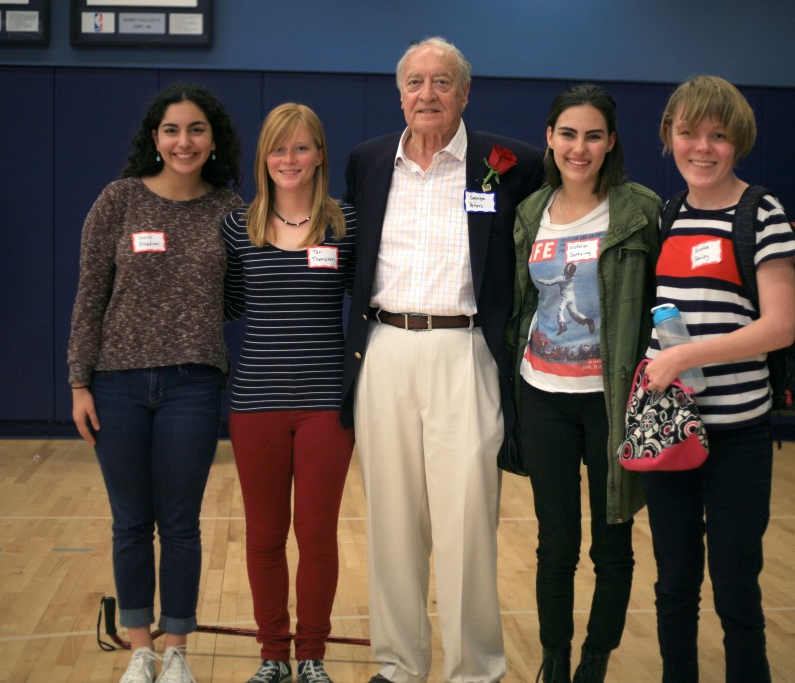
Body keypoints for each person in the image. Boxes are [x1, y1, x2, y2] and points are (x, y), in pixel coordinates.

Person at [341, 36, 544, 683]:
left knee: (467, 516)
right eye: (415, 83)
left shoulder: (510, 164)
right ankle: (398, 663)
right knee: (392, 518)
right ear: (399, 93)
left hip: (466, 350)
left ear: (464, 93)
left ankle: (473, 669)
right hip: (386, 346)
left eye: (441, 82)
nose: (427, 94)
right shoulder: (368, 162)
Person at [68, 83, 242, 683]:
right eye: (172, 130)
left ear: (213, 139)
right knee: (130, 521)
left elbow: (240, 297)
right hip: (116, 384)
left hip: (194, 383)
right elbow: (90, 296)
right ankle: (140, 648)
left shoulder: (230, 209)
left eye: (196, 129)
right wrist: (78, 383)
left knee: (181, 522)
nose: (183, 140)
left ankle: (176, 653)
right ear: (154, 139)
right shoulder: (118, 200)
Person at [640, 75, 795, 683]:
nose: (701, 148)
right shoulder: (668, 214)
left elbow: (779, 327)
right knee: (674, 586)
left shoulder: (762, 213)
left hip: (737, 436)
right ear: (669, 137)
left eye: (718, 136)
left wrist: (684, 356)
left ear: (739, 143)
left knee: (735, 587)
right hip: (671, 433)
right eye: (688, 134)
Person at [506, 84, 661, 683]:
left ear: (611, 143)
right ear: (549, 138)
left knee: (612, 541)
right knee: (556, 543)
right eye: (568, 134)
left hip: (611, 403)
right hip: (542, 395)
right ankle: (555, 657)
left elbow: (657, 304)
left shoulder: (638, 210)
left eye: (593, 135)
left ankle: (595, 660)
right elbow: (523, 307)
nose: (579, 147)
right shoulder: (530, 212)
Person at [221, 103, 356, 683]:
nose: (289, 159)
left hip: (327, 404)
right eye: (279, 148)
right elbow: (226, 304)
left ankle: (313, 658)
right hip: (255, 403)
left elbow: (368, 309)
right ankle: (273, 655)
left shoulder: (345, 224)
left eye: (301, 147)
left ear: (320, 154)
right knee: (265, 535)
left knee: (317, 534)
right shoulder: (237, 226)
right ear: (264, 158)